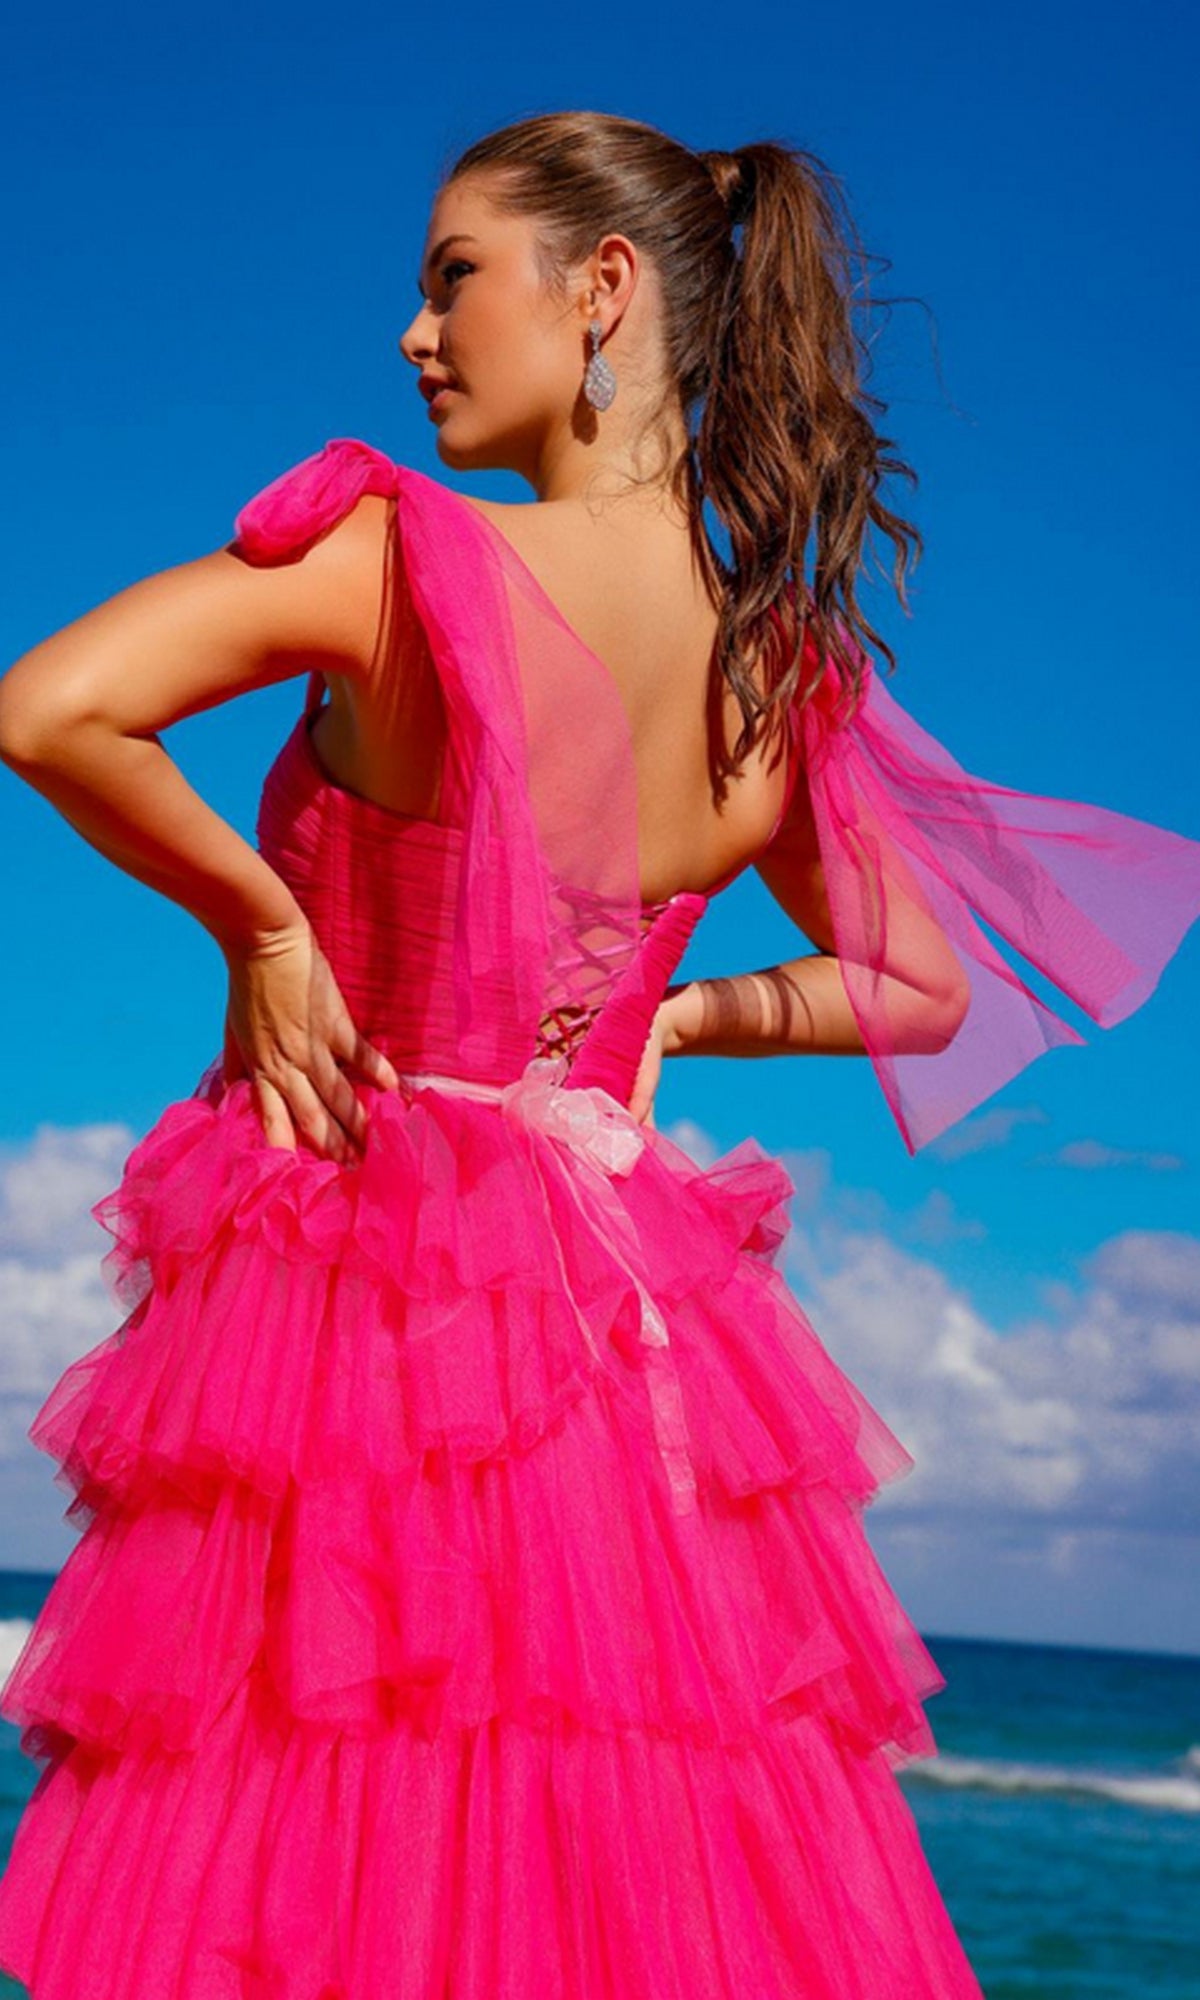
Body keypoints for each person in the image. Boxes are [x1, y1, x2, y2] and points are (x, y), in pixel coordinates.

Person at [0, 109, 1196, 2000]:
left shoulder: (411, 560)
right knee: (604, 1862)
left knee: (310, 1847)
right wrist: (693, 1013)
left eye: (454, 273)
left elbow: (52, 710)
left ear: (603, 291)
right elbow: (919, 985)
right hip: (613, 1340)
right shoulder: (769, 669)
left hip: (355, 1310)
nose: (414, 330)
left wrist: (267, 924)